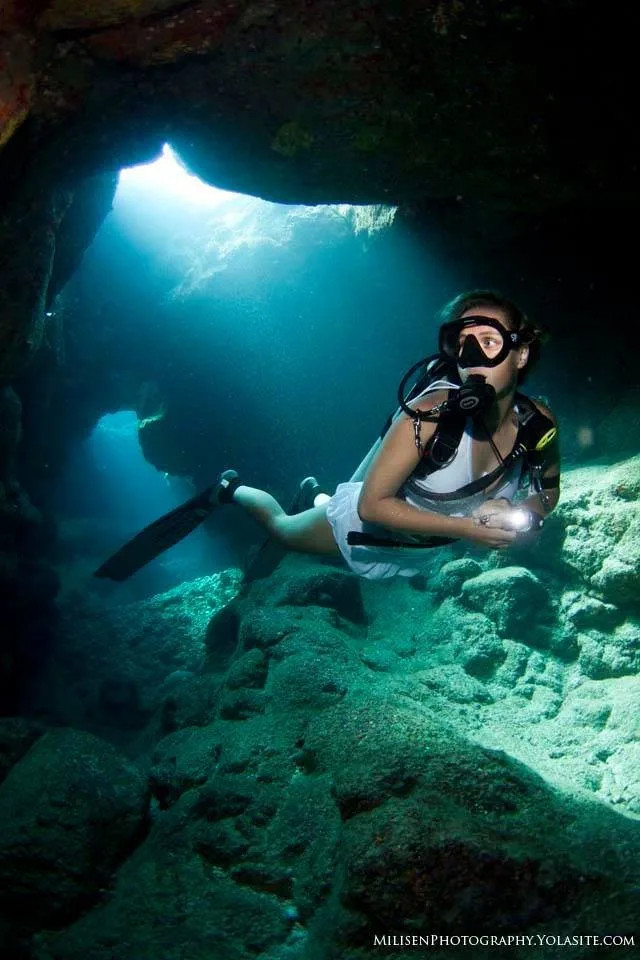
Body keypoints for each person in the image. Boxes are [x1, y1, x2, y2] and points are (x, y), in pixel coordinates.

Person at [94, 290, 560, 583]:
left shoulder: (537, 423)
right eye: (462, 343)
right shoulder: (428, 415)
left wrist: (524, 513)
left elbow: (548, 490)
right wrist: (465, 529)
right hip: (370, 531)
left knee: (324, 503)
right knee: (282, 531)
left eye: (491, 342)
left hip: (427, 542)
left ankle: (314, 493)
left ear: (521, 355)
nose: (472, 355)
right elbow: (372, 507)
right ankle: (229, 488)